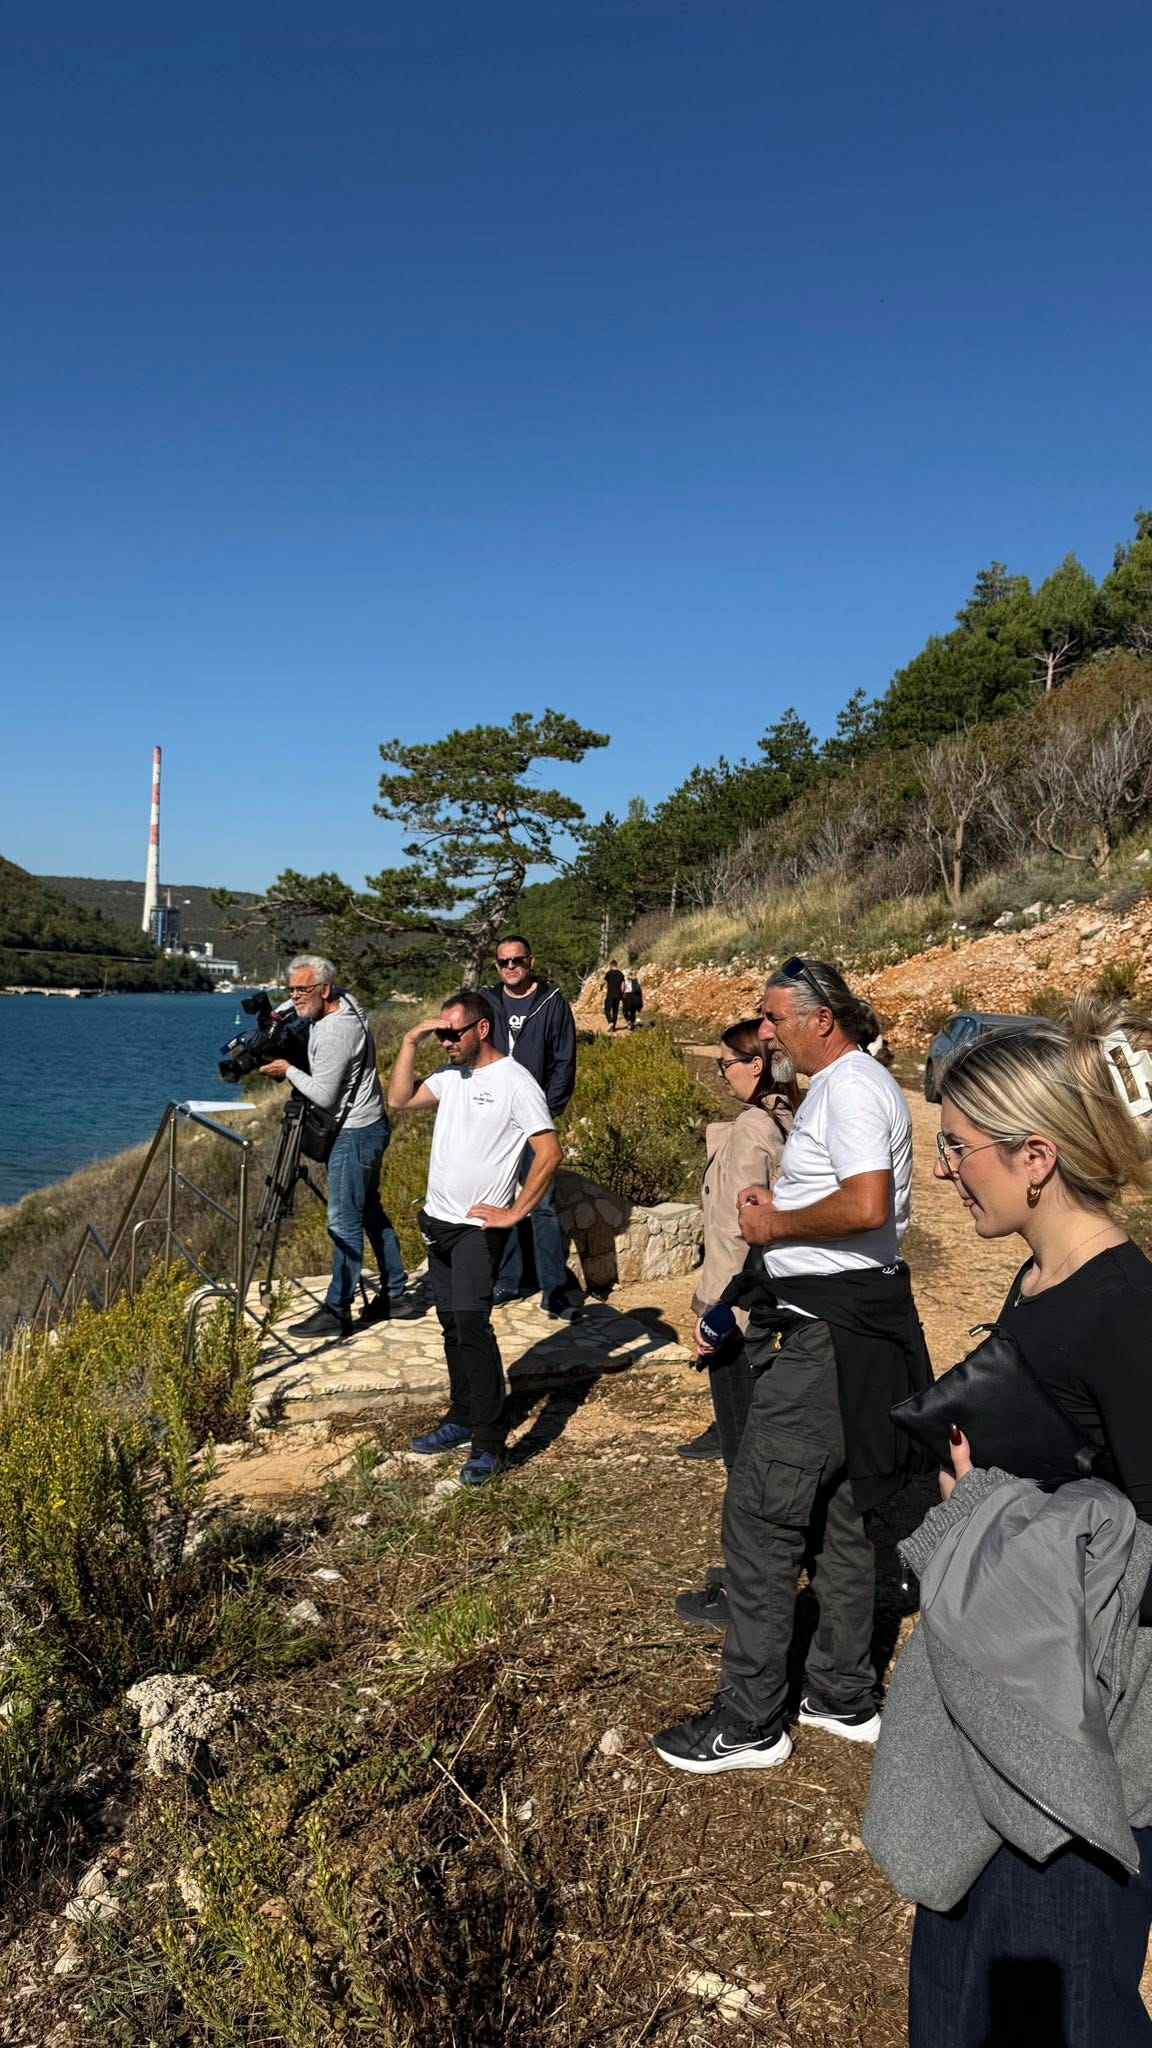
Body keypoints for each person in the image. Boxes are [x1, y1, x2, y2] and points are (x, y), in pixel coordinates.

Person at [886, 1001, 1152, 2045]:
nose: (943, 1169)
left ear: (1035, 1157)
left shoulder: (1124, 1309)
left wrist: (992, 1521)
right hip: (1013, 1698)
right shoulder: (1041, 1275)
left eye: (958, 1147)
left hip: (1086, 1746)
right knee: (963, 1984)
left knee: (1063, 2003)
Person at [652, 955, 929, 1775]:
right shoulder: (850, 1086)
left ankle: (749, 1722)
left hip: (826, 1339)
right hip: (854, 1331)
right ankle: (840, 1693)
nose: (766, 1033)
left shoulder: (850, 1090)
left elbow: (866, 1204)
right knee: (844, 1513)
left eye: (774, 1018)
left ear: (821, 1019)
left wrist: (775, 1224)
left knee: (762, 1520)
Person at [387, 989, 562, 1487]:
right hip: (438, 1223)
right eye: (440, 1034)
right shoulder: (451, 1077)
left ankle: (488, 1444)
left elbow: (550, 1152)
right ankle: (462, 1417)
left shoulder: (514, 1080)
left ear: (481, 1029)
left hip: (475, 1232)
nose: (445, 1042)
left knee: (472, 1329)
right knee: (451, 1328)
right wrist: (410, 1041)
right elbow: (399, 1099)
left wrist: (516, 1212)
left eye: (452, 1033)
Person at [674, 1019, 798, 1620]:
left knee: (744, 1455)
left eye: (728, 1063)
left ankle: (746, 1588)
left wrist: (718, 1312)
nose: (722, 1074)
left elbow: (748, 1233)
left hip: (739, 1313)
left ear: (756, 1066)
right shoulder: (782, 1119)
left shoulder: (752, 1132)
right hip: (757, 1309)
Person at [260, 954, 408, 1339]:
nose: (295, 997)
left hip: (354, 1134)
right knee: (369, 1210)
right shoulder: (347, 1001)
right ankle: (396, 1294)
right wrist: (278, 1014)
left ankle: (337, 1309)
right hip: (369, 1125)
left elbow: (324, 1096)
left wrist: (287, 1070)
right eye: (291, 990)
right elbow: (304, 1002)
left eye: (303, 990)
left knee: (343, 1222)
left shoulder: (334, 1033)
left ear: (325, 990)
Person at [480, 935, 581, 1317]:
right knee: (499, 1198)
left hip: (534, 1118)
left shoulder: (552, 1002)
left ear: (530, 961)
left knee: (542, 1203)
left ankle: (553, 1289)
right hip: (493, 1118)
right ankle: (508, 1280)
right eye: (503, 961)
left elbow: (564, 1061)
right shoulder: (487, 1000)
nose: (511, 967)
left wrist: (546, 1111)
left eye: (517, 960)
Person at [602, 960, 625, 1031]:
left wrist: (602, 989)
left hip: (610, 994)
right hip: (618, 995)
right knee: (615, 1011)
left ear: (611, 965)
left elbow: (604, 983)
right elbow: (623, 986)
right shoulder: (621, 974)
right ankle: (613, 1027)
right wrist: (621, 994)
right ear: (616, 965)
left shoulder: (608, 973)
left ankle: (610, 1022)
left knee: (607, 1009)